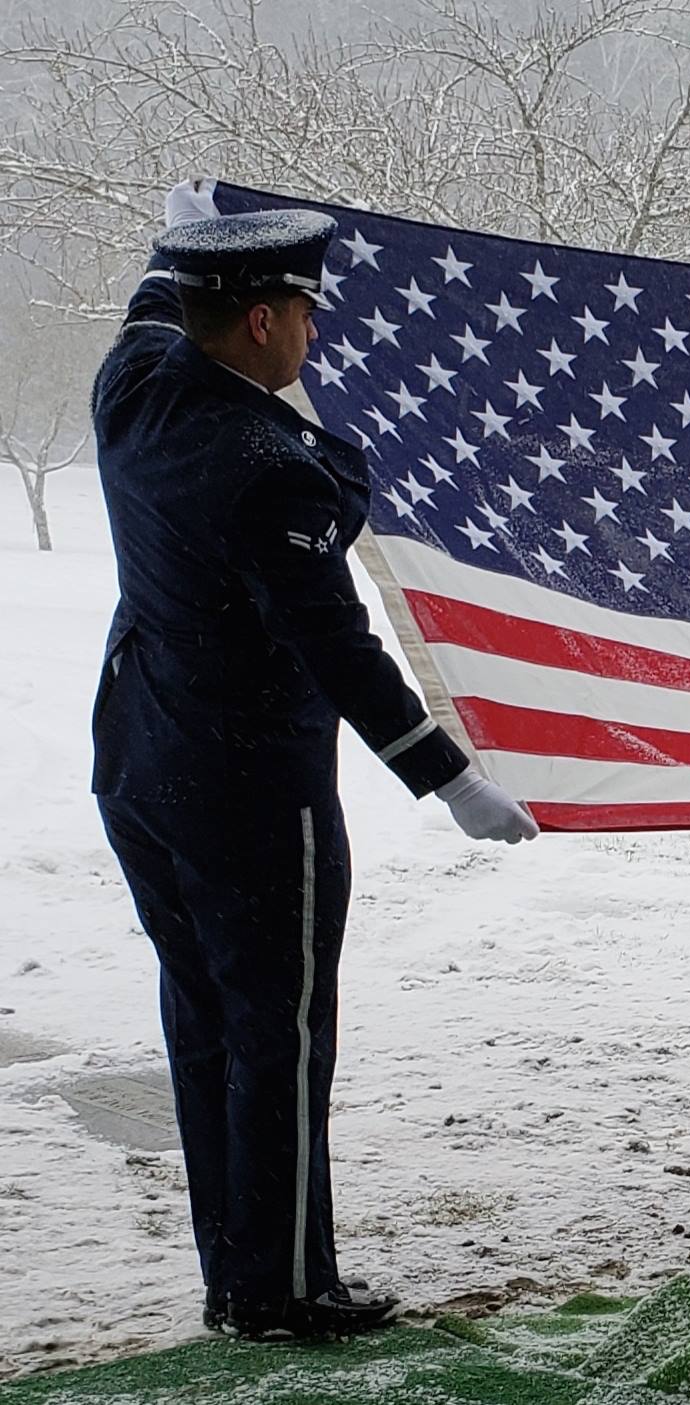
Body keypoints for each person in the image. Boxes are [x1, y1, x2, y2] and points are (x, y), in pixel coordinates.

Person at [90, 182, 539, 1341]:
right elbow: (335, 645)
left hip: (141, 759)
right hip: (245, 788)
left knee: (205, 1021)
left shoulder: (135, 386)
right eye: (304, 310)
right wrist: (449, 775)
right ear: (259, 324)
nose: (315, 332)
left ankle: (237, 1276)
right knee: (278, 1035)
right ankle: (286, 1286)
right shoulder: (264, 466)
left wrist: (176, 234)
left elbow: (154, 305)